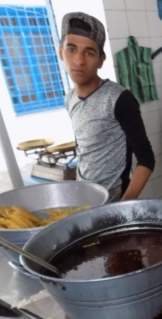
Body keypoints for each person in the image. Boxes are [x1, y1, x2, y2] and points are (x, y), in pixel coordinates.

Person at [59, 12, 155, 201]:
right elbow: (84, 147)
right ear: (60, 52)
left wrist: (123, 206)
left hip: (114, 202)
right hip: (85, 199)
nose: (79, 60)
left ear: (101, 60)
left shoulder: (119, 99)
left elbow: (147, 160)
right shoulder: (69, 98)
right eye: (72, 49)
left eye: (89, 52)